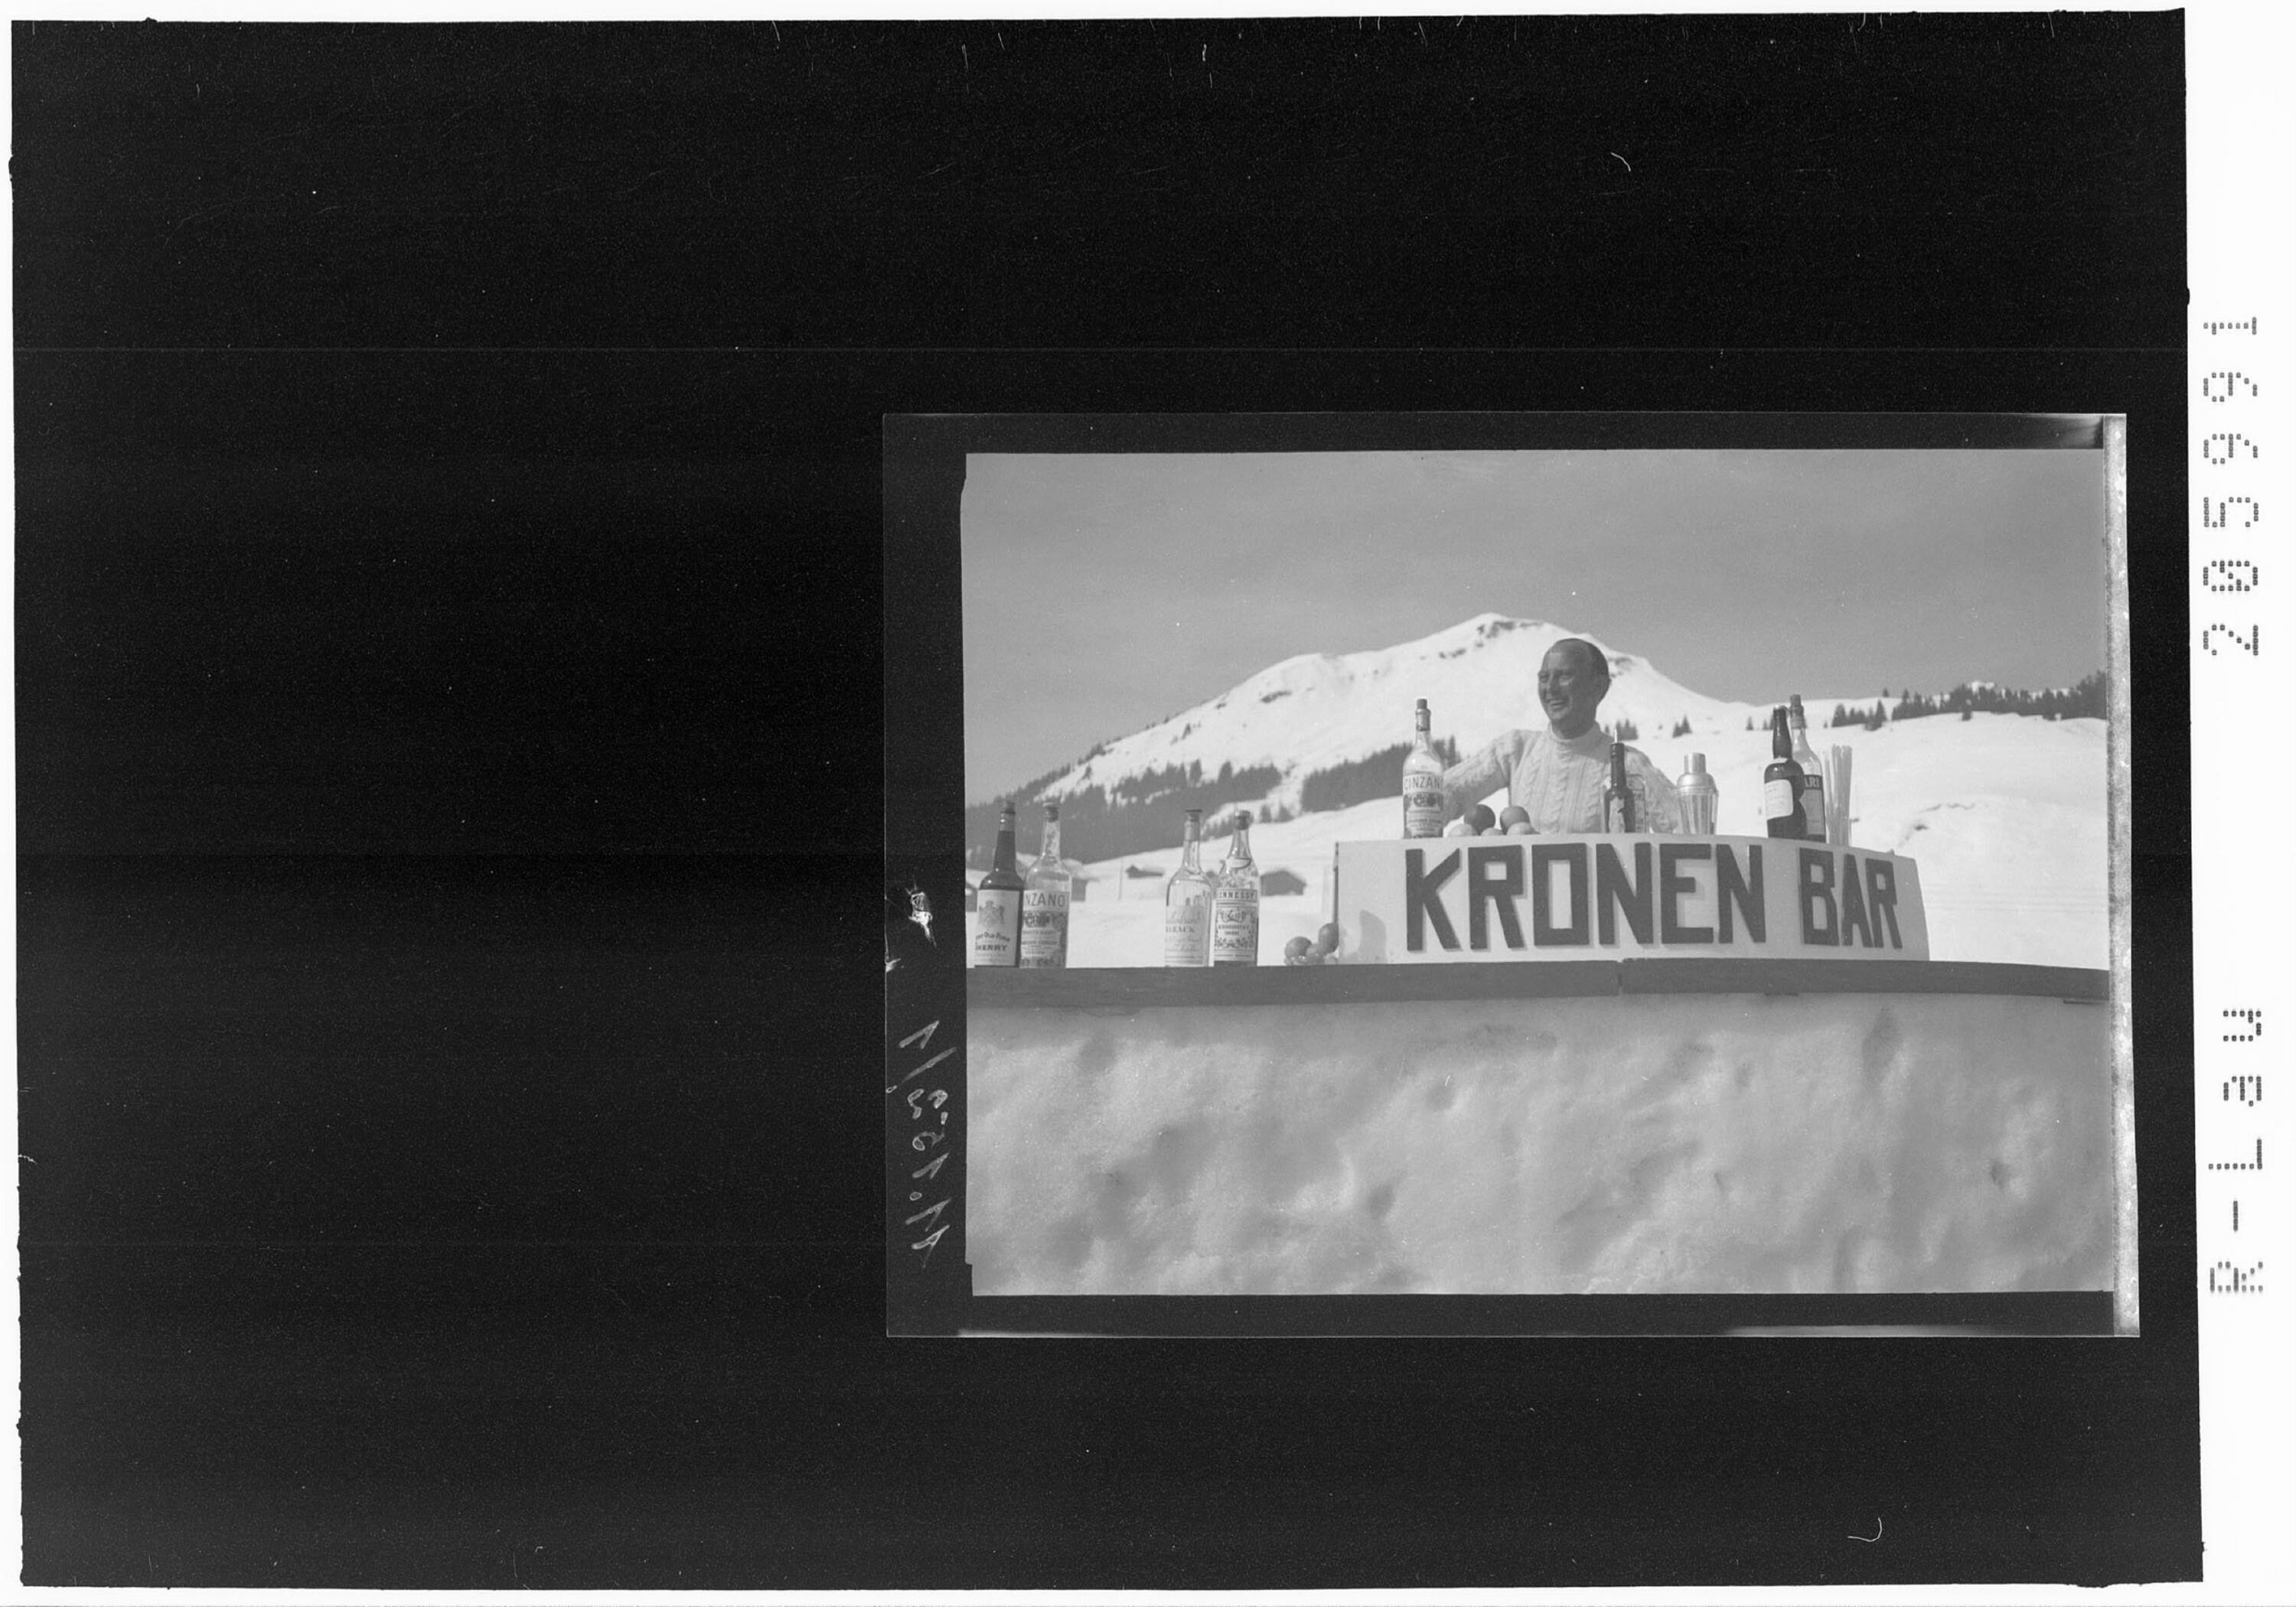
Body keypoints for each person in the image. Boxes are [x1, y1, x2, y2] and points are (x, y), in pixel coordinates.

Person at [1440, 637, 1682, 833]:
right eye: (1544, 678)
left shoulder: (1626, 763)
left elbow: (1685, 827)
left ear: (1599, 686)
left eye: (1565, 676)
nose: (1551, 689)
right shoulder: (1515, 749)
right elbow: (1445, 793)